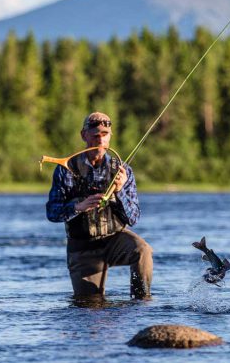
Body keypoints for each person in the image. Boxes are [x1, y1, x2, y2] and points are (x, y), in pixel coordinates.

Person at [45, 112, 153, 299]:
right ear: (84, 135)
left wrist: (119, 191)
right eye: (95, 135)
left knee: (142, 250)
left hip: (115, 239)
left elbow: (133, 218)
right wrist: (78, 207)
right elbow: (52, 213)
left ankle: (141, 302)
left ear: (110, 136)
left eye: (104, 134)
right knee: (89, 305)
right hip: (82, 246)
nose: (100, 139)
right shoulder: (65, 170)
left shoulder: (123, 171)